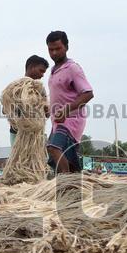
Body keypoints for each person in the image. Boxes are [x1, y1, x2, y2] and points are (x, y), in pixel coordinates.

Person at [45, 31, 94, 174]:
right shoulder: (53, 71)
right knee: (62, 157)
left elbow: (88, 93)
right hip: (57, 121)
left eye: (57, 48)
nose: (54, 53)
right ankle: (74, 180)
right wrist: (49, 109)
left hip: (71, 120)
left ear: (66, 47)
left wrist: (66, 110)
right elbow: (59, 96)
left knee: (53, 148)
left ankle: (65, 184)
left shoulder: (72, 68)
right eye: (50, 49)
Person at [9, 55, 50, 146]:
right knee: (19, 159)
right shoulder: (15, 87)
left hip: (36, 134)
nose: (42, 75)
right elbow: (5, 110)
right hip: (17, 132)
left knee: (37, 159)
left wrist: (46, 109)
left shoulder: (40, 89)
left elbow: (47, 113)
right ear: (31, 67)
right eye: (41, 71)